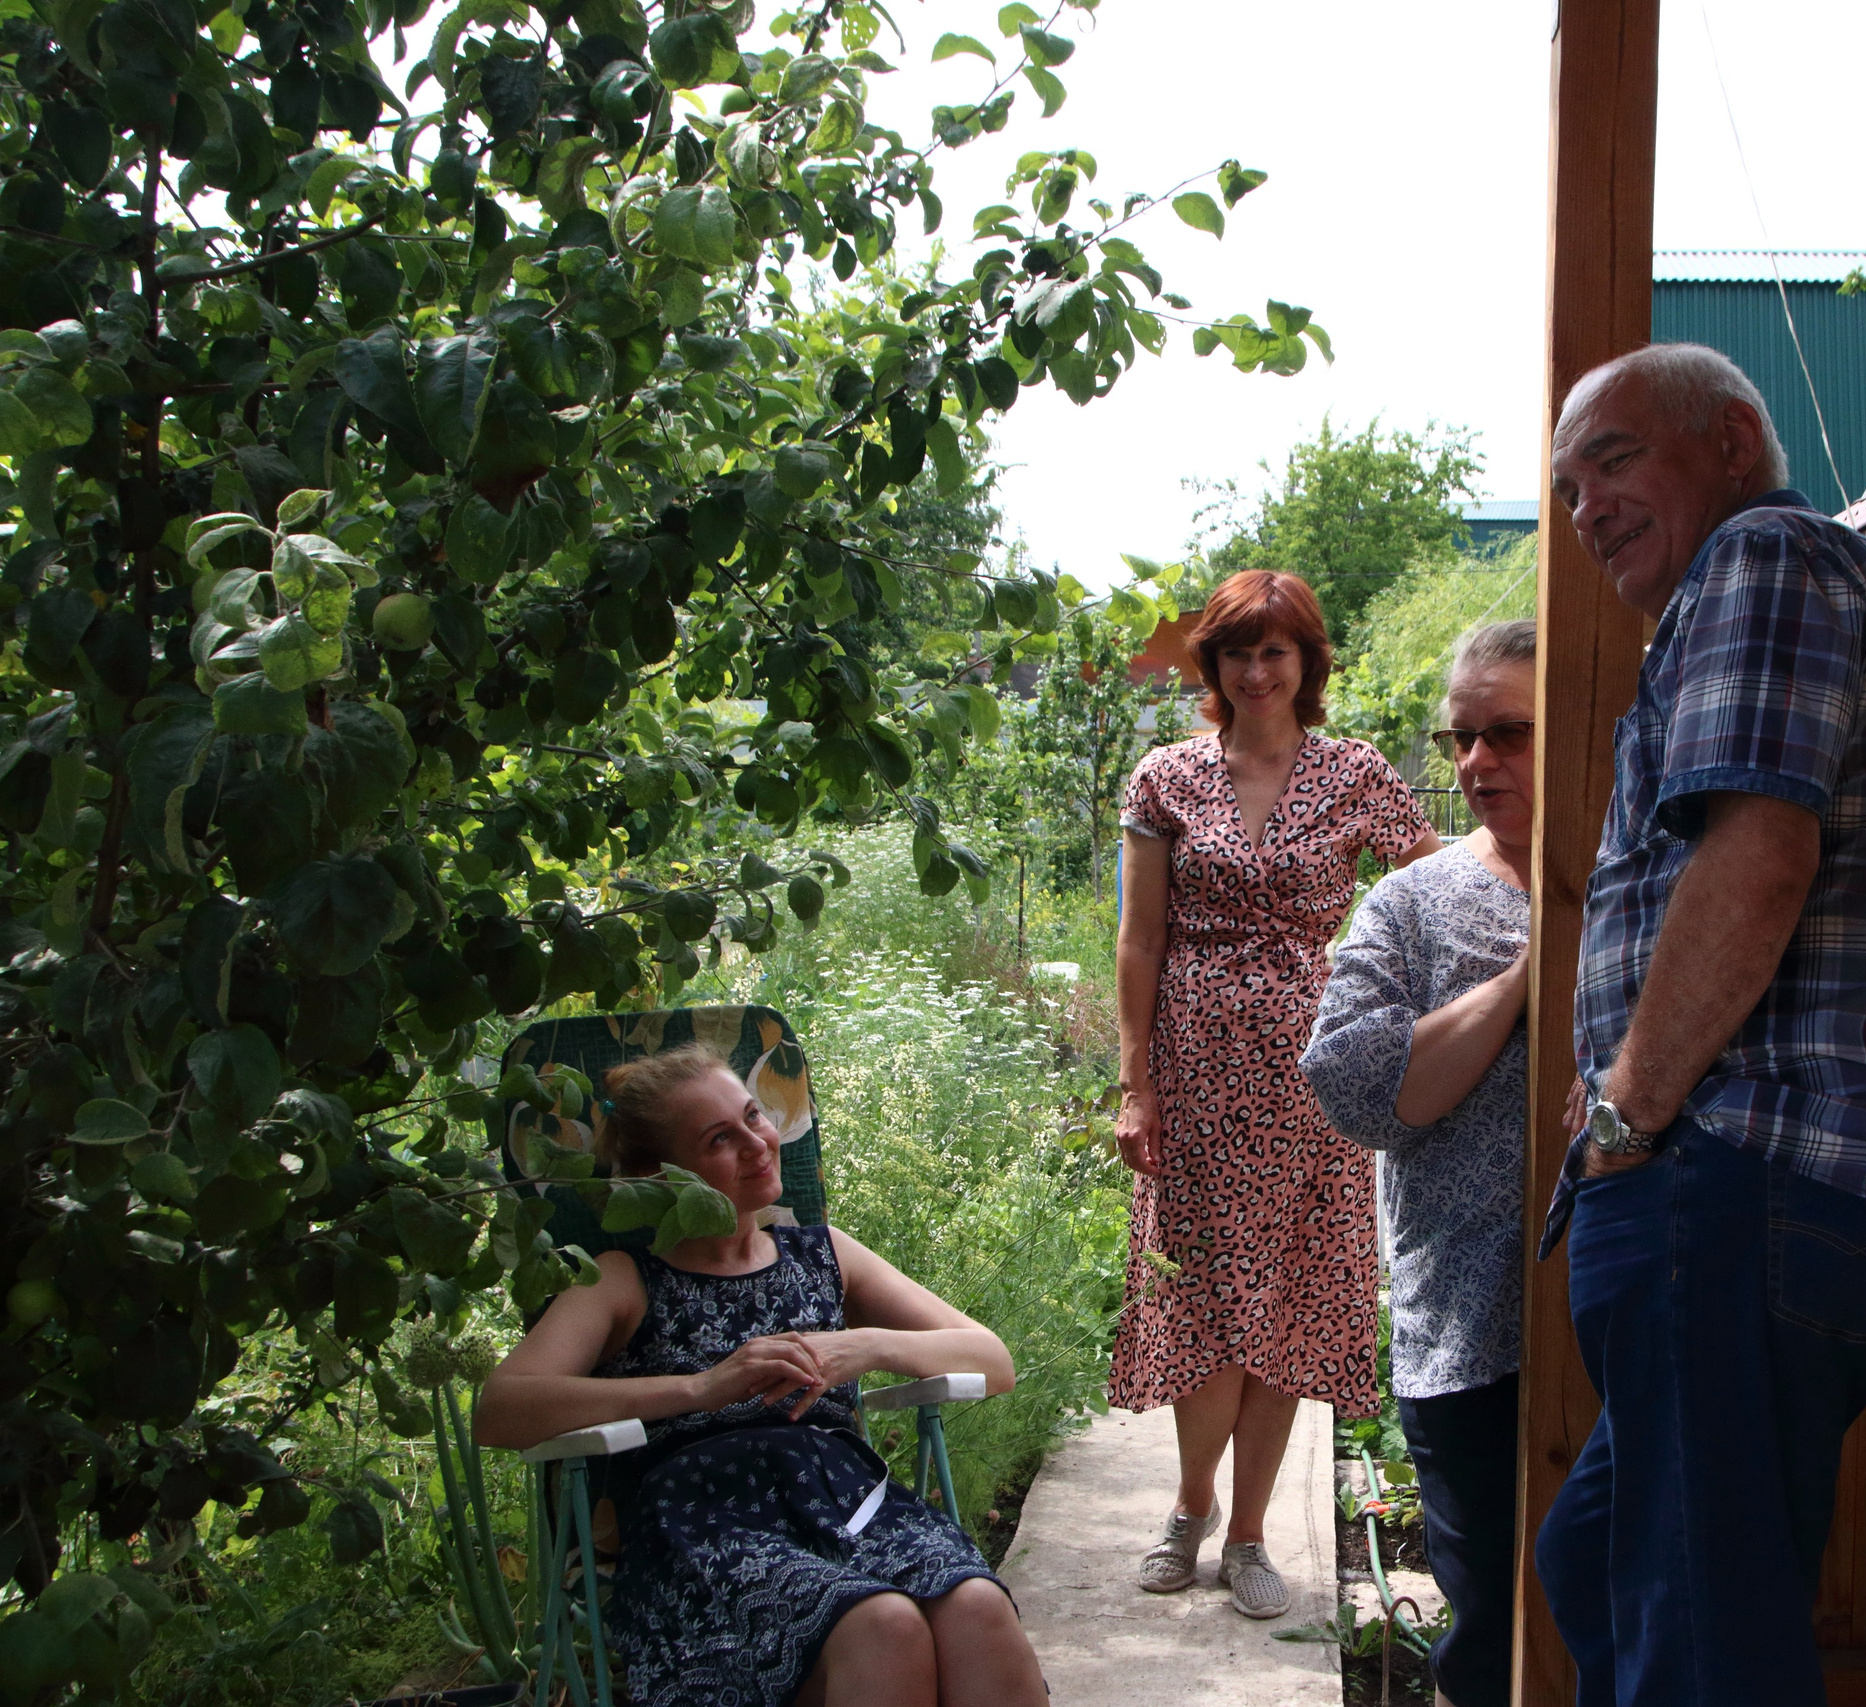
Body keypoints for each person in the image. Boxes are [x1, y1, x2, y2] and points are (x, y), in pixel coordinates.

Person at [1530, 343, 1866, 1707]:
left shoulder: (1766, 561)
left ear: (1732, 439)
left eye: (1614, 460)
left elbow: (1758, 855)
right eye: (1565, 487)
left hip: (1748, 1173)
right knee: (1601, 1551)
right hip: (1788, 1183)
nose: (1586, 506)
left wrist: (1628, 1101)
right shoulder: (1770, 585)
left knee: (1703, 1645)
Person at [475, 1045, 1045, 1707]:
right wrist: (700, 1388)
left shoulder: (823, 1253)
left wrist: (861, 1345)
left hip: (850, 1504)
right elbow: (501, 1408)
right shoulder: (621, 1279)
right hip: (708, 1528)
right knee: (884, 1626)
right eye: (721, 1138)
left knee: (979, 1608)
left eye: (753, 1117)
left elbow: (992, 1359)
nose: (758, 1143)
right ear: (658, 1176)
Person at [1111, 568, 1440, 1619]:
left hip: (1316, 1078)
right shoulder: (1165, 777)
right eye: (1236, 653)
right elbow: (1141, 937)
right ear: (1212, 667)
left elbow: (1440, 880)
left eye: (1276, 652)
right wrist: (1134, 1084)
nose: (1256, 672)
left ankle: (1250, 1534)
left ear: (1307, 664)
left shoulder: (1355, 774)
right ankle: (1191, 1504)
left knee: (1290, 1300)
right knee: (1204, 1293)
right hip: (1195, 1070)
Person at [1302, 618, 1539, 1707]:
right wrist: (1524, 982)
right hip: (1472, 1329)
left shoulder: (1664, 885)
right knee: (1491, 1631)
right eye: (1462, 739)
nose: (1476, 764)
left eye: (1509, 736)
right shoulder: (1414, 904)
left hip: (1637, 1327)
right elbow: (1362, 1091)